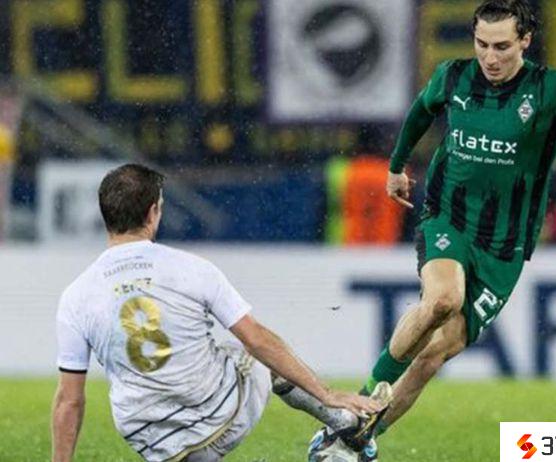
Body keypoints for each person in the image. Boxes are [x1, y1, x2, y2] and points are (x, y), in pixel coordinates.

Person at [309, 0, 556, 459]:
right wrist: (397, 166)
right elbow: (421, 111)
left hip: (504, 247)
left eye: (502, 46)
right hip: (449, 217)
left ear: (525, 41)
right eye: (482, 44)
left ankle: (356, 438)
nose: (490, 57)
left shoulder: (551, 89)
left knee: (435, 354)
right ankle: (357, 404)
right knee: (443, 300)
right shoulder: (454, 76)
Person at [51, 163, 387, 462]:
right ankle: (344, 423)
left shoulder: (76, 296)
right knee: (254, 351)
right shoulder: (191, 268)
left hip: (155, 443)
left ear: (106, 215)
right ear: (153, 212)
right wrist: (328, 394)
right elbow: (256, 340)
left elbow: (69, 401)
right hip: (220, 421)